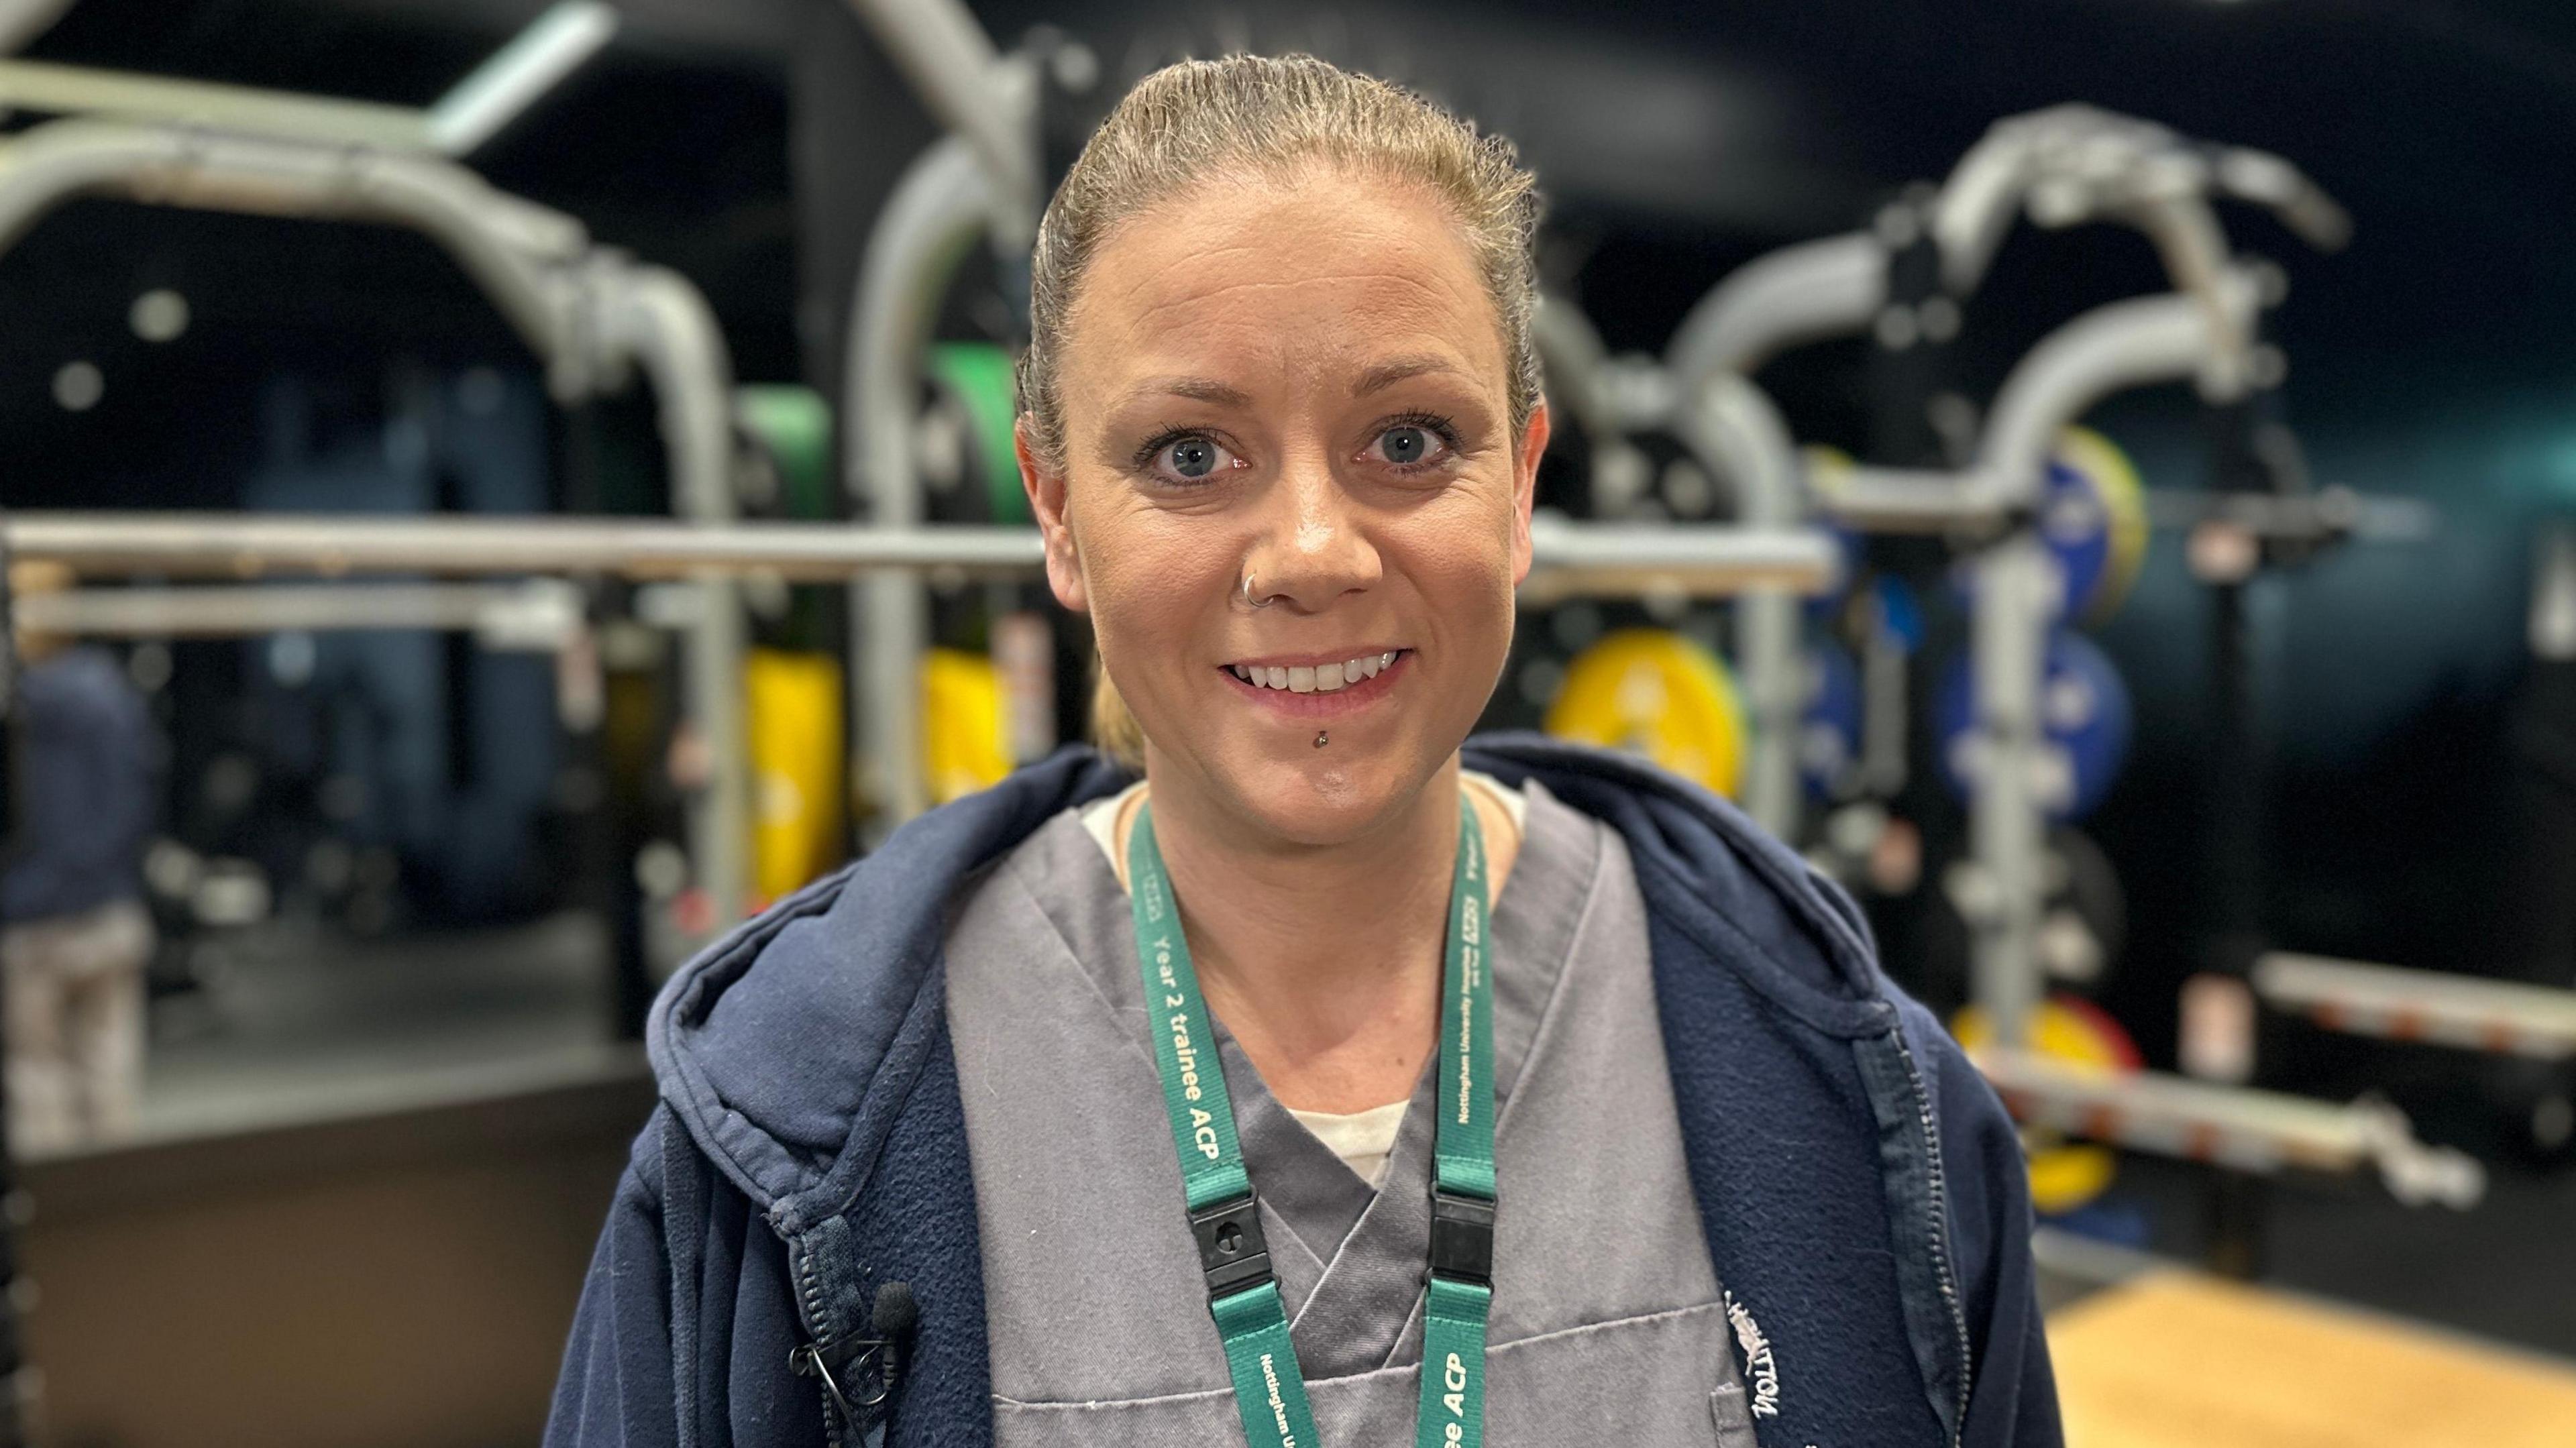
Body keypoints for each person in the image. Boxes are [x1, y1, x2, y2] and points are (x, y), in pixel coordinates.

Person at [548, 55, 2057, 1448]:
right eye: (1190, 456)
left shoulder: (1859, 1094)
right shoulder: (770, 1157)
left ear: (1523, 485)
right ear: (1058, 510)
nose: (1314, 553)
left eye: (1408, 440)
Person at [2, 560, 158, 1156]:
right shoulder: (112, 699)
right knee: (108, 1077)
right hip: (101, 910)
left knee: (39, 1088)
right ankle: (114, 1227)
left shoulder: (21, 706)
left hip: (39, 920)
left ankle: (66, 1236)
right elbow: (130, 807)